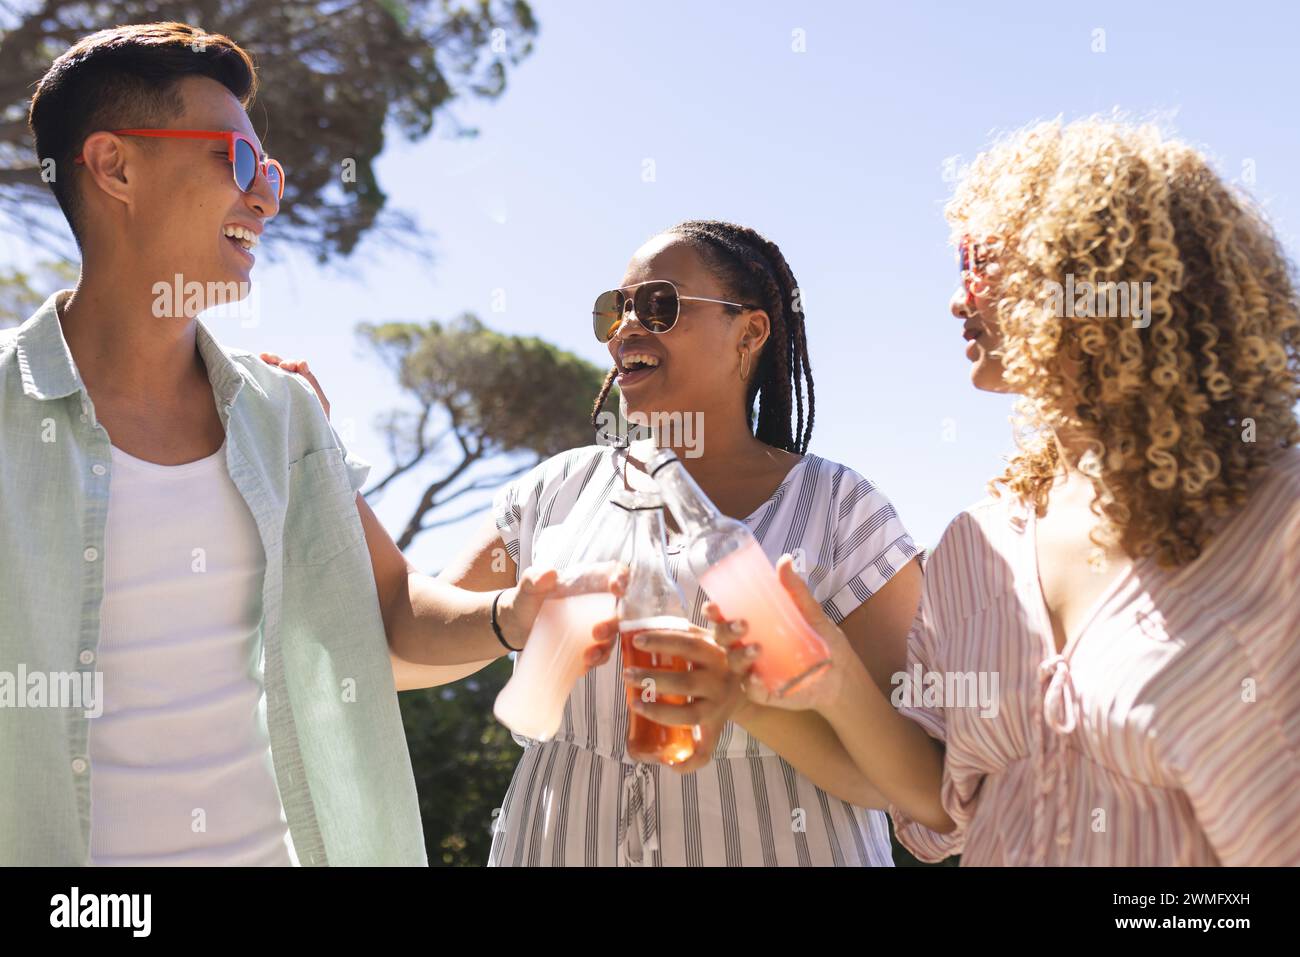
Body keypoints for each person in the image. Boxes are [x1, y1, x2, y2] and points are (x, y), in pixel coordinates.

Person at [1, 21, 616, 867]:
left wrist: (512, 616)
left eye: (274, 172)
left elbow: (391, 623)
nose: (267, 197)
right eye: (240, 162)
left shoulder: (285, 415)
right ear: (115, 166)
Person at [712, 118, 1300, 865]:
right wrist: (825, 674)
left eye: (980, 263)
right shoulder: (973, 546)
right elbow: (933, 805)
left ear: (1092, 277)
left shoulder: (1279, 520)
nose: (959, 301)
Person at [437, 219, 924, 866]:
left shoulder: (843, 512)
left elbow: (911, 780)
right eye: (616, 308)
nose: (626, 326)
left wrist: (748, 702)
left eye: (660, 304)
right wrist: (311, 458)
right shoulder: (556, 491)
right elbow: (405, 644)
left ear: (749, 332)